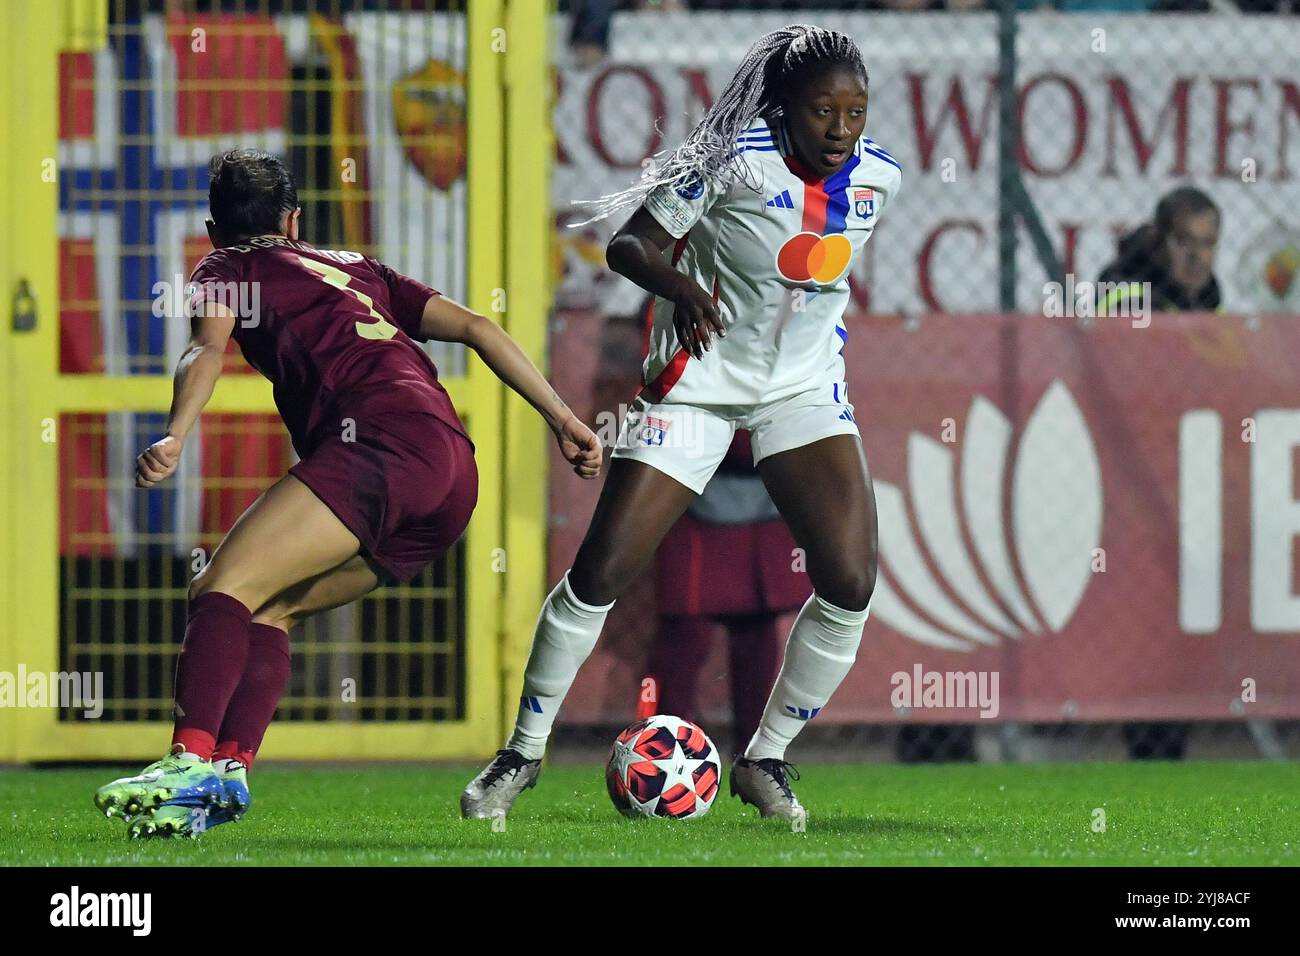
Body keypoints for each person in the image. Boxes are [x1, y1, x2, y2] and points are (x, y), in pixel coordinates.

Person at [93, 148, 602, 839]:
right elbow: (480, 328)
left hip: (380, 448)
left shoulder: (226, 268)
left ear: (214, 231)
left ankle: (189, 761)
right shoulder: (358, 268)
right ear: (294, 219)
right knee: (273, 609)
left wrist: (176, 433)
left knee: (221, 588)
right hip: (453, 472)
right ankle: (228, 773)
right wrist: (566, 418)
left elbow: (204, 351)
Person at [462, 23, 901, 820]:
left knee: (850, 580)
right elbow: (628, 247)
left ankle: (764, 760)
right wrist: (688, 291)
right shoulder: (726, 160)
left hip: (801, 392)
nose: (840, 129)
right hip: (695, 386)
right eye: (821, 111)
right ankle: (520, 757)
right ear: (783, 108)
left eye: (855, 111)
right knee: (601, 573)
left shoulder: (882, 179)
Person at [644, 431, 805, 757]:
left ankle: (758, 758)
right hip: (688, 502)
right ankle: (660, 752)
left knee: (757, 633)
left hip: (765, 505)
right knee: (685, 637)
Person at [1097, 185, 1222, 314]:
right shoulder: (1128, 300)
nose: (1197, 255)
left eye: (1208, 243)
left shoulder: (1209, 302)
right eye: (1184, 241)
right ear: (1158, 242)